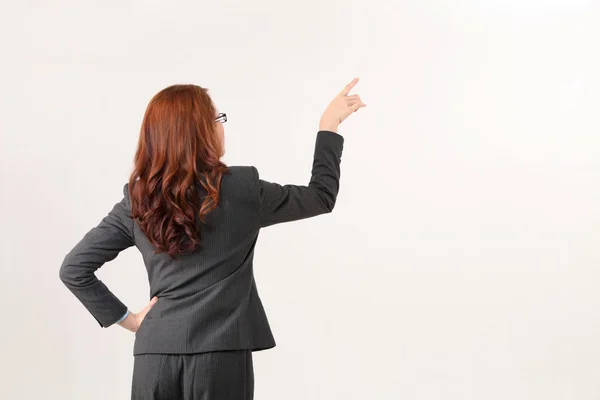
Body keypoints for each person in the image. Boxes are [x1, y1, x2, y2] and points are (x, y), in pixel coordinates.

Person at [59, 78, 366, 400]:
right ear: (201, 131)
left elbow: (74, 269)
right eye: (217, 119)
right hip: (221, 353)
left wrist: (130, 320)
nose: (222, 127)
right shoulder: (243, 189)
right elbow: (320, 197)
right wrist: (328, 127)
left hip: (155, 353)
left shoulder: (138, 200)